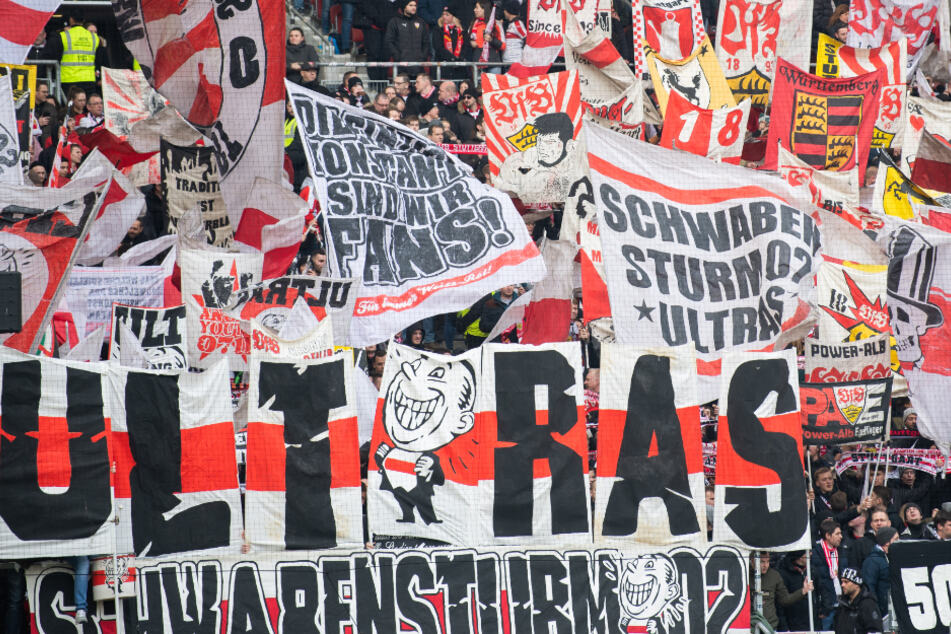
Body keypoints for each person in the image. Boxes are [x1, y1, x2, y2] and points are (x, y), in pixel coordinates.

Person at [50, 10, 102, 97]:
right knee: (86, 107)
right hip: (88, 79)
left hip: (68, 80)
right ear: (83, 20)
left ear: (71, 20)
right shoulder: (94, 37)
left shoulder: (63, 35)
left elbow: (53, 54)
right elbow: (99, 58)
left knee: (69, 108)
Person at [755, 553, 813, 630]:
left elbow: (785, 600)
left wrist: (803, 591)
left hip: (770, 625)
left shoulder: (774, 575)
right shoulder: (746, 575)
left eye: (768, 561)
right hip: (750, 626)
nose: (765, 565)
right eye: (762, 562)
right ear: (752, 560)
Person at [812, 517, 849, 629]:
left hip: (842, 605)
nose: (841, 537)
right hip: (827, 607)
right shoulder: (816, 552)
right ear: (828, 536)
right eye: (837, 534)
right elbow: (819, 581)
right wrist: (823, 607)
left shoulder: (841, 551)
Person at [385, 0, 430, 77]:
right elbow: (389, 41)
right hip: (402, 66)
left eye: (415, 5)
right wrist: (397, 56)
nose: (414, 8)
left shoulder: (421, 22)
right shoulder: (394, 22)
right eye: (410, 5)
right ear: (404, 7)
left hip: (418, 66)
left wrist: (423, 56)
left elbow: (426, 42)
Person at [833, 568, 883, 634]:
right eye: (842, 582)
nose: (842, 585)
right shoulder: (842, 605)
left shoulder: (867, 604)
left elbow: (875, 629)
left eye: (846, 582)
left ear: (857, 584)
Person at [861, 526, 896, 619]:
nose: (899, 541)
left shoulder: (889, 557)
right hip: (880, 613)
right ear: (887, 542)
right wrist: (875, 612)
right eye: (896, 539)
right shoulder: (872, 561)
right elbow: (869, 588)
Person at [358, 0, 398, 80]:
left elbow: (396, 5)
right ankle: (374, 82)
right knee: (373, 54)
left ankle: (383, 81)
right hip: (372, 26)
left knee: (386, 55)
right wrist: (377, 17)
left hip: (387, 27)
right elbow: (365, 5)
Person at [778, 551, 815, 631]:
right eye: (808, 552)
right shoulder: (783, 574)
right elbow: (780, 604)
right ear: (800, 556)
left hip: (812, 623)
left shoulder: (811, 570)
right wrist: (784, 628)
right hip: (793, 626)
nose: (811, 554)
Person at [468, 0, 505, 70]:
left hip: (493, 64)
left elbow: (503, 46)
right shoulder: (473, 24)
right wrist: (470, 43)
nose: (474, 10)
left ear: (484, 9)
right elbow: (466, 42)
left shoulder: (496, 24)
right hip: (478, 65)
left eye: (477, 7)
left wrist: (492, 40)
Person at [433, 6, 468, 79]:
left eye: (447, 15)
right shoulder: (438, 29)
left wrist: (460, 58)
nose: (444, 17)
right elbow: (438, 47)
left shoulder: (461, 31)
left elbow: (466, 46)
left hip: (459, 67)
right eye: (443, 14)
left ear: (453, 17)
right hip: (444, 66)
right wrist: (452, 58)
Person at [502, 0, 526, 67]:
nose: (503, 12)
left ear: (508, 11)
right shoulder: (511, 24)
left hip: (515, 63)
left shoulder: (517, 24)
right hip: (508, 62)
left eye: (504, 10)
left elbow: (526, 39)